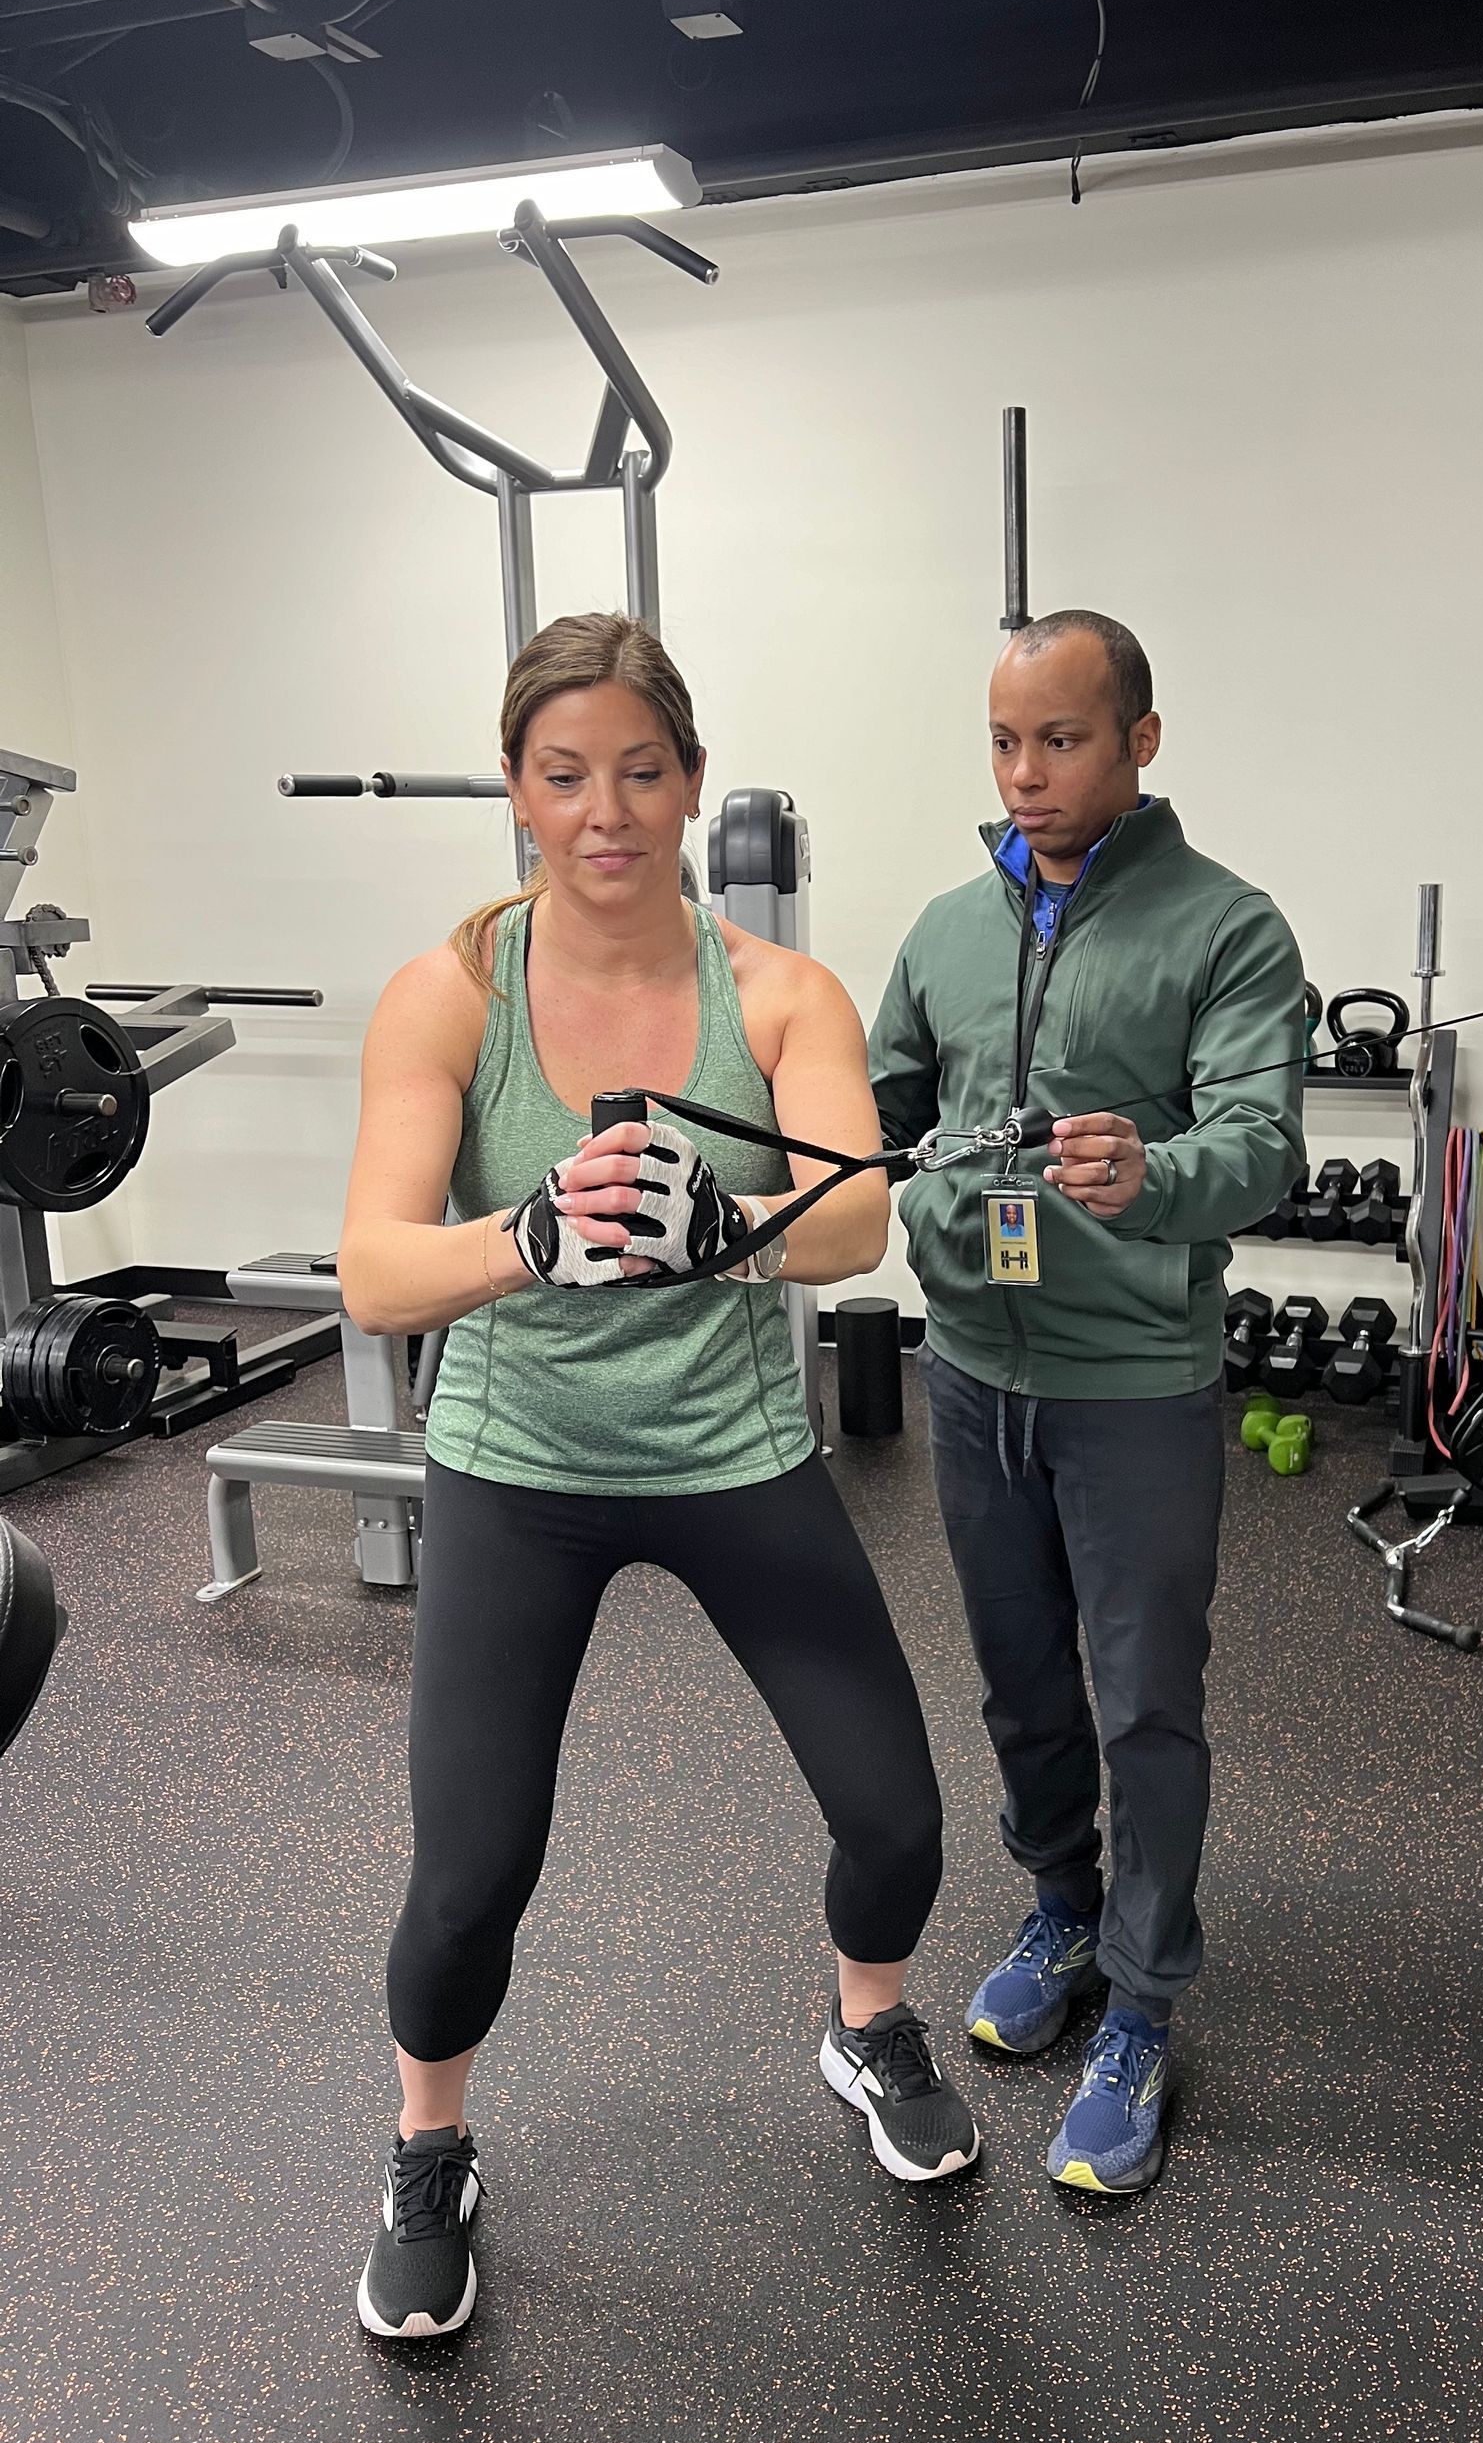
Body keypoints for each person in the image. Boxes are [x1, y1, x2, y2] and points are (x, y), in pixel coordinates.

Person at [339, 613, 979, 2343]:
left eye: (640, 771)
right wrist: (524, 1235)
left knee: (898, 1817)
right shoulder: (448, 992)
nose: (605, 810)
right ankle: (429, 2149)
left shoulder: (776, 992)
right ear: (519, 791)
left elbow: (858, 1214)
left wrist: (737, 1225)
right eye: (566, 776)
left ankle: (866, 2027)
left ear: (690, 783)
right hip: (516, 1469)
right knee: (472, 1872)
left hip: (729, 1457)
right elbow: (376, 1274)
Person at [870, 609, 1305, 2195]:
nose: (1028, 773)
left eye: (1061, 738)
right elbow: (879, 1108)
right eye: (1004, 741)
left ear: (1140, 740)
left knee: (1145, 1703)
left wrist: (1156, 1172)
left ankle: (1143, 1999)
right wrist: (913, 1203)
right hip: (974, 1375)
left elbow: (1261, 1145)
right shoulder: (944, 929)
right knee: (1020, 1684)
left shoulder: (1228, 929)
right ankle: (1060, 1907)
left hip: (1133, 1387)